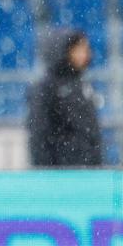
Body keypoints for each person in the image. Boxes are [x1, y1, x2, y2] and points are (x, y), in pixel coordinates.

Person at [26, 28, 103, 168]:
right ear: (63, 51)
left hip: (86, 169)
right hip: (61, 172)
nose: (84, 54)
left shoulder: (82, 84)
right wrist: (45, 171)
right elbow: (39, 134)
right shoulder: (46, 87)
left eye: (86, 49)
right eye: (78, 49)